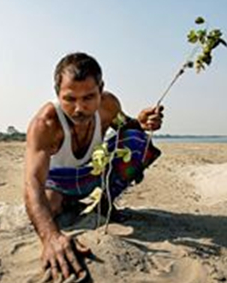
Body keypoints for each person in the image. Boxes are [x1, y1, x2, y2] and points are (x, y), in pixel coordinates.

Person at [24, 52, 164, 281]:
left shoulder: (109, 106)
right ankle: (68, 201)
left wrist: (142, 123)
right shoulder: (46, 124)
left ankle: (105, 203)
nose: (79, 108)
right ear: (57, 93)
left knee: (138, 141)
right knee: (49, 208)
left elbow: (126, 127)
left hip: (94, 175)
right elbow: (32, 181)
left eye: (89, 97)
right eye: (69, 99)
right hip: (58, 182)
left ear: (101, 89)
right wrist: (50, 238)